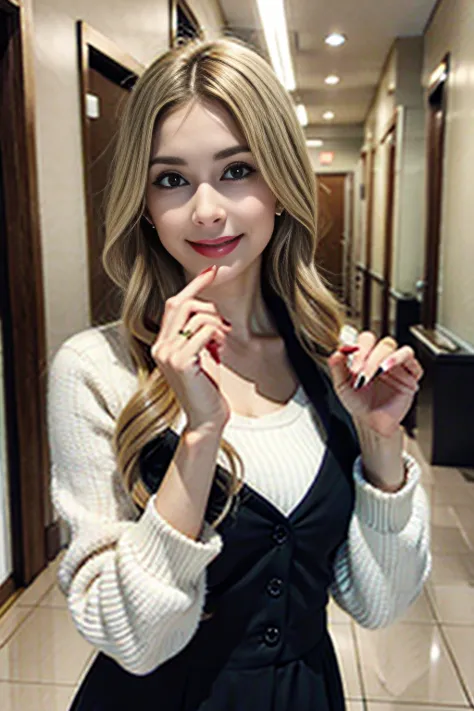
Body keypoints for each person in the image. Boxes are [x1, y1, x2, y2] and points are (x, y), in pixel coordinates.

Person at [47, 36, 431, 711]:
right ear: (143, 203)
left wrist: (380, 445)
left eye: (237, 170)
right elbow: (131, 640)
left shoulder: (336, 359)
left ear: (280, 185)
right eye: (171, 179)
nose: (206, 210)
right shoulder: (98, 370)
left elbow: (379, 604)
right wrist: (199, 436)